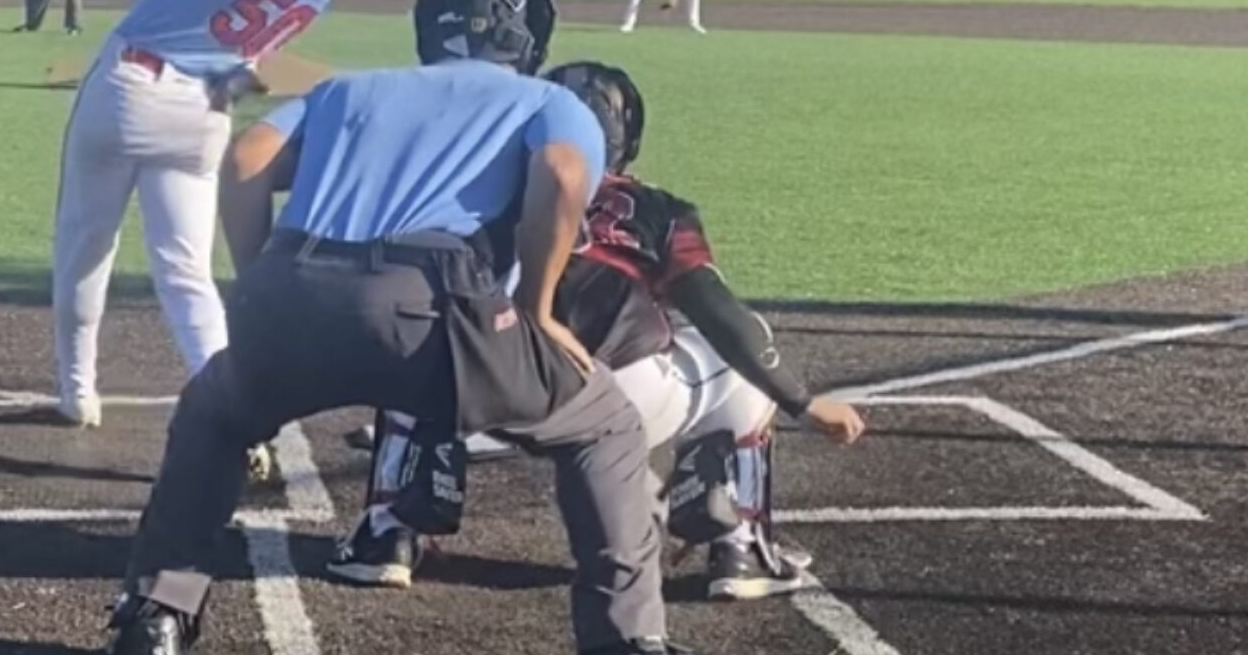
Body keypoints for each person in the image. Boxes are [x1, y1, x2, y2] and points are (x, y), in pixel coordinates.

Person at [101, 0, 713, 655]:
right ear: (533, 33)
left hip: (298, 280)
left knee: (215, 414)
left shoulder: (345, 88)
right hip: (440, 309)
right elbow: (560, 178)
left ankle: (151, 624)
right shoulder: (548, 104)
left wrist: (260, 280)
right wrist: (542, 307)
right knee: (604, 425)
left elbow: (247, 159)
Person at [328, 60, 867, 601]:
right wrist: (802, 402)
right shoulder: (657, 208)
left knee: (422, 345)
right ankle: (739, 544)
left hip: (499, 386)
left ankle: (388, 534)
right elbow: (714, 309)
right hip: (620, 399)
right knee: (738, 352)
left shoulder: (480, 190)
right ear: (626, 136)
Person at [48, 0, 385, 429]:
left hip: (129, 85)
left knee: (86, 245)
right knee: (187, 276)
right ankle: (234, 410)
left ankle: (78, 392)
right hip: (202, 113)